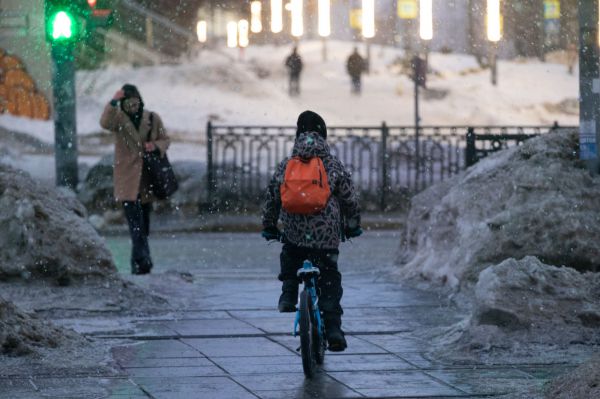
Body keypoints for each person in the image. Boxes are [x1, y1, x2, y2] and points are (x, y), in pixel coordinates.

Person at [261, 110, 362, 352]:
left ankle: (288, 294)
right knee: (329, 278)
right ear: (323, 135)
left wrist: (269, 225)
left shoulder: (288, 164)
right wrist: (352, 224)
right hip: (326, 235)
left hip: (295, 231)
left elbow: (273, 197)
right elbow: (350, 198)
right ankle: (334, 328)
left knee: (290, 254)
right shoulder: (332, 164)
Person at [100, 84, 170, 275]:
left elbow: (165, 139)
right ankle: (143, 261)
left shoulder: (152, 118)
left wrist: (154, 146)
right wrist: (113, 101)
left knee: (143, 225)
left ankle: (138, 262)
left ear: (140, 101)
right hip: (127, 179)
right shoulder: (118, 118)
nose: (133, 106)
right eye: (128, 103)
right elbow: (104, 122)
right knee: (135, 224)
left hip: (147, 178)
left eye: (135, 102)